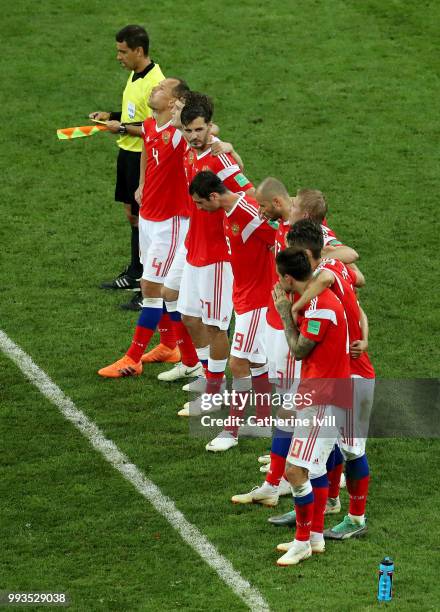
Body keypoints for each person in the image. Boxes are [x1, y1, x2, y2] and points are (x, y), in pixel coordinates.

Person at [98, 77, 192, 378]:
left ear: (174, 101)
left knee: (153, 286)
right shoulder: (152, 125)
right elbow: (145, 152)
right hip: (149, 216)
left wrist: (186, 114)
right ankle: (169, 346)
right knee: (157, 287)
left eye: (162, 89)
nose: (154, 89)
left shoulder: (179, 134)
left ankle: (133, 357)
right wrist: (141, 184)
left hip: (171, 221)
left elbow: (210, 131)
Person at [286, 219, 374, 539]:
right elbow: (359, 298)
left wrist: (291, 306)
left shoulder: (325, 274)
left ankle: (357, 517)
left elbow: (325, 281)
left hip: (354, 375)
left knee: (352, 448)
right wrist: (363, 335)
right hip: (340, 371)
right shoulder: (336, 267)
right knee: (327, 444)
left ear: (308, 254)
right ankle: (328, 505)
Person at [173, 97, 254, 417]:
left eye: (199, 129)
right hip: (195, 249)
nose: (194, 136)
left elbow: (247, 193)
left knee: (215, 325)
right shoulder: (190, 149)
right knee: (189, 317)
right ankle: (210, 376)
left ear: (208, 127)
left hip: (219, 258)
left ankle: (215, 391)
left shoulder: (220, 159)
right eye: (188, 130)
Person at [272, 248, 352, 566]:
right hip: (324, 392)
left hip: (322, 398)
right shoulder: (317, 297)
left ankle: (302, 541)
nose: (279, 282)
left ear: (289, 278)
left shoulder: (320, 308)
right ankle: (315, 537)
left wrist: (283, 311)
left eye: (280, 276)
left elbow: (300, 349)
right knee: (315, 468)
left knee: (295, 471)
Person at [188, 171, 276, 451]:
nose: (199, 209)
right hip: (245, 293)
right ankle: (262, 423)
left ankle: (231, 431)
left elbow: (278, 237)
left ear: (214, 196)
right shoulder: (227, 210)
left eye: (201, 203)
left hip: (258, 298)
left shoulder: (248, 214)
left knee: (238, 363)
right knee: (257, 360)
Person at [89, 25, 165, 309]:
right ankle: (135, 272)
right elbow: (136, 115)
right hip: (127, 152)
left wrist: (119, 126)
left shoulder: (155, 83)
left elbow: (153, 127)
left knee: (145, 222)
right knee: (132, 217)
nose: (119, 57)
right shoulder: (136, 74)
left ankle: (147, 281)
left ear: (139, 51)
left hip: (141, 158)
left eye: (123, 52)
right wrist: (111, 115)